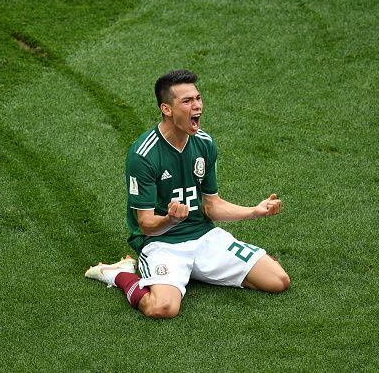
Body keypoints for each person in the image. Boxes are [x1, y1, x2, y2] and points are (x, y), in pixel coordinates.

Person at [85, 69, 290, 318]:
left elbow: (210, 205)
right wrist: (170, 219)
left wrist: (254, 211)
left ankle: (190, 272)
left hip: (203, 237)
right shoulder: (143, 155)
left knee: (279, 281)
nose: (197, 106)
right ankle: (121, 274)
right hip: (162, 244)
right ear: (167, 109)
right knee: (162, 308)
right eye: (187, 101)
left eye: (198, 98)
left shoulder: (204, 143)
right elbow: (146, 225)